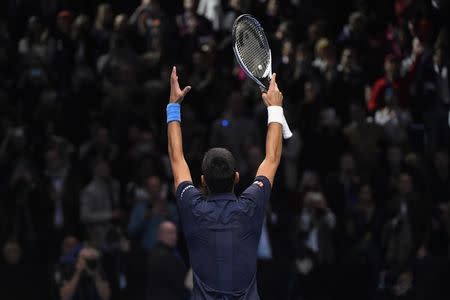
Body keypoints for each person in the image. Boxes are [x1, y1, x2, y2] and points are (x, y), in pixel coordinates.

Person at [166, 66, 284, 299]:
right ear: (237, 177)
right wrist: (276, 108)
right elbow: (271, 159)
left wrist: (174, 106)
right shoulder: (250, 205)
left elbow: (177, 159)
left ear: (202, 181)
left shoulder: (192, 206)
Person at [146, 221, 188, 300]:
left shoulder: (156, 253)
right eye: (170, 233)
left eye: (175, 233)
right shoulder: (166, 258)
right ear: (159, 235)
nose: (174, 237)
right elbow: (182, 286)